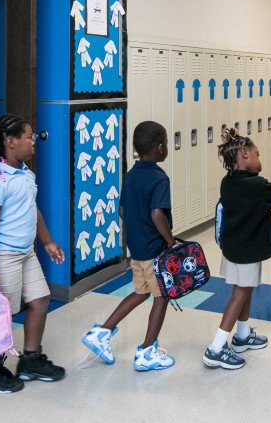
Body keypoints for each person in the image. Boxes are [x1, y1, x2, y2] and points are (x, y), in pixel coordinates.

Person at [0, 114, 66, 393]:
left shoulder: (25, 174)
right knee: (3, 314)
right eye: (29, 137)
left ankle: (30, 360)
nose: (33, 142)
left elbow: (31, 210)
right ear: (11, 142)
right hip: (1, 256)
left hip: (25, 253)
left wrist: (47, 241)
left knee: (40, 299)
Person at [82, 121, 176, 371]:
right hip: (155, 250)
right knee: (161, 297)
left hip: (137, 248)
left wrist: (138, 231)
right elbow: (158, 214)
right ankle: (147, 350)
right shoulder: (159, 178)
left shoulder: (131, 175)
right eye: (165, 143)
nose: (166, 147)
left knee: (141, 292)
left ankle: (102, 333)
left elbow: (122, 209)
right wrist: (170, 241)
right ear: (159, 148)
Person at [204, 129, 271, 370]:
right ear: (244, 153)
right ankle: (216, 347)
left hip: (234, 247)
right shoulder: (258, 186)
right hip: (247, 249)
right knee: (240, 293)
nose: (260, 160)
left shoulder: (228, 182)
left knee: (245, 289)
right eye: (257, 154)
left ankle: (242, 335)